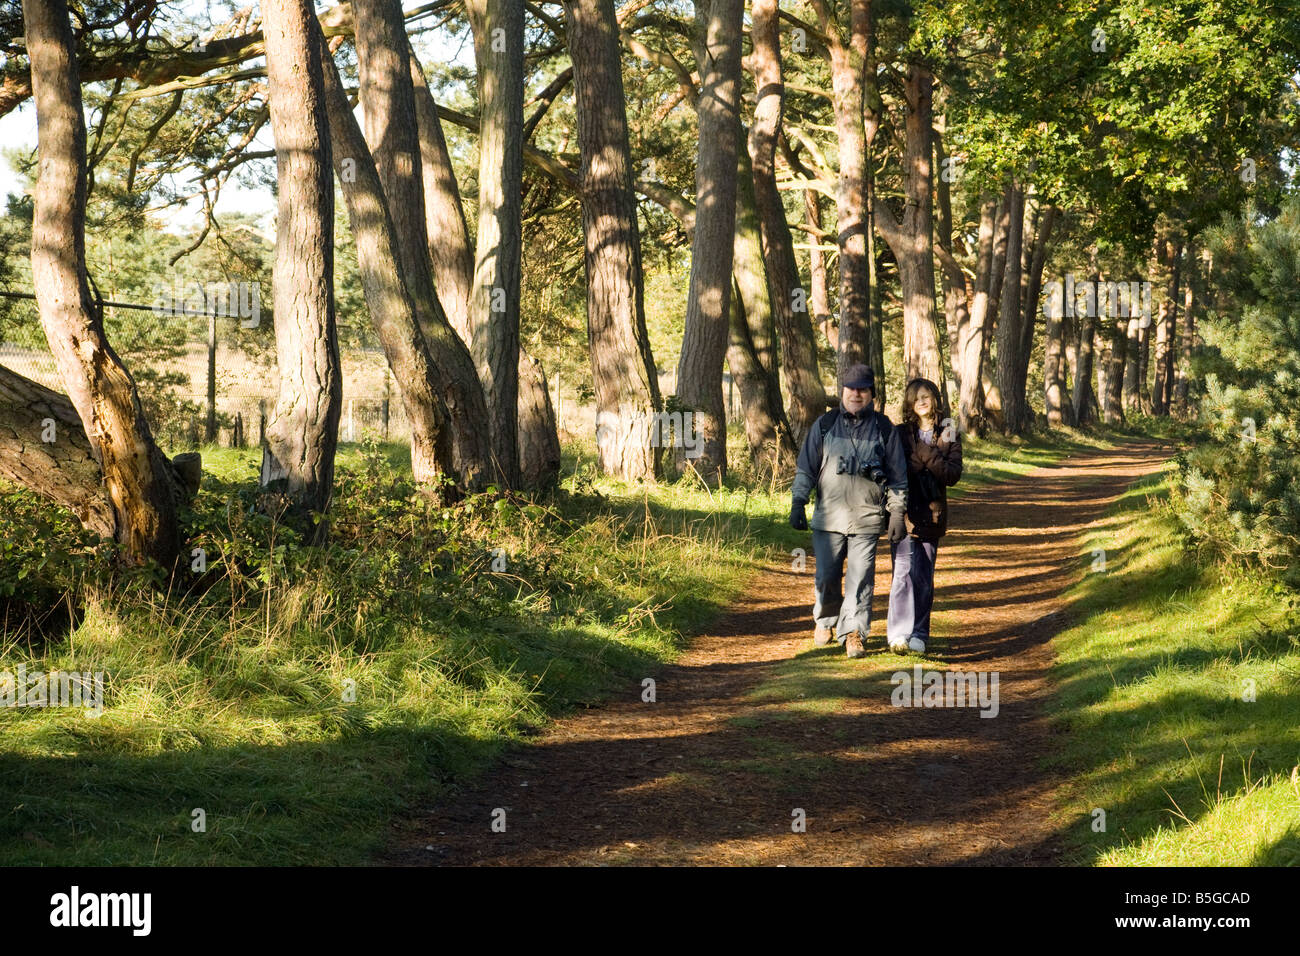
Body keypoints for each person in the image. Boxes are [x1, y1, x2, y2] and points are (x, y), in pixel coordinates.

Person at [789, 364, 908, 658]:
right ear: (842, 390)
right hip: (828, 518)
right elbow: (806, 467)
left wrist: (896, 513)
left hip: (867, 520)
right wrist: (798, 501)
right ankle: (826, 620)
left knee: (860, 579)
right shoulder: (825, 425)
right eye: (851, 388)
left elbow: (898, 478)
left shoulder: (884, 429)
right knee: (827, 576)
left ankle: (854, 632)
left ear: (871, 394)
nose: (856, 394)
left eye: (863, 389)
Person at [886, 378, 962, 654]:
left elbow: (952, 474)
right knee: (901, 574)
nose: (921, 401)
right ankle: (897, 634)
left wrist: (924, 454)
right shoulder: (900, 432)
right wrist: (928, 462)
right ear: (909, 402)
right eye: (916, 397)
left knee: (923, 576)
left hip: (932, 514)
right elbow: (896, 469)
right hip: (903, 511)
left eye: (926, 396)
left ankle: (920, 633)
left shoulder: (949, 430)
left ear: (935, 399)